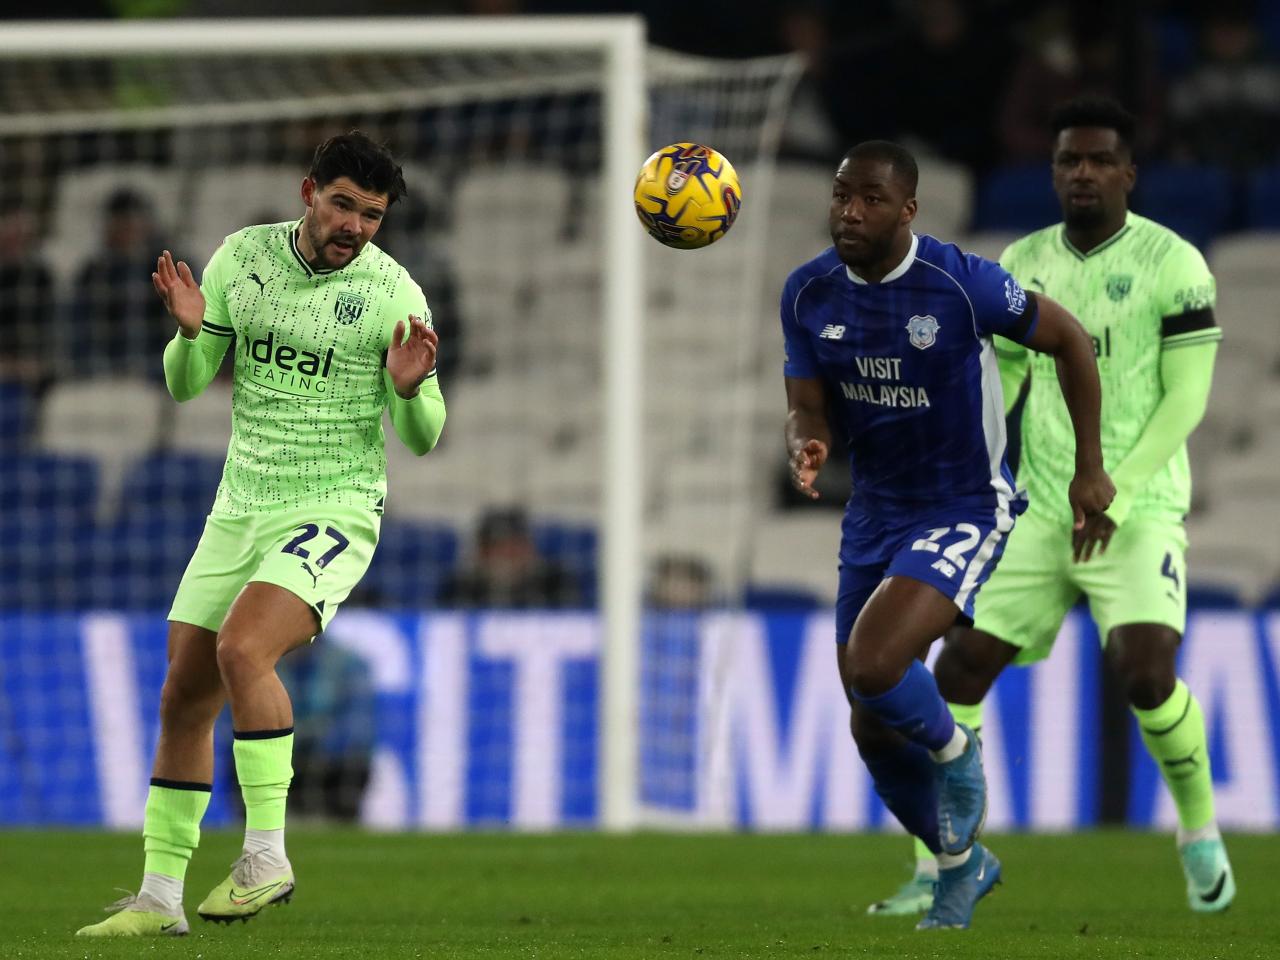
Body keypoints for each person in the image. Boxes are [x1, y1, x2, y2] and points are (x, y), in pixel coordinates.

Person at [76, 131, 447, 937]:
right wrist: (187, 333)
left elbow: (423, 436)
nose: (354, 225)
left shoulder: (393, 296)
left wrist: (412, 391)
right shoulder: (241, 259)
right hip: (239, 507)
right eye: (344, 203)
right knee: (182, 696)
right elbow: (186, 387)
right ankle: (159, 898)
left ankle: (266, 856)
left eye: (372, 215)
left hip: (334, 506)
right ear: (309, 189)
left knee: (244, 649)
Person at [870, 97, 1234, 918]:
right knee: (955, 670)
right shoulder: (1022, 262)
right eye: (1069, 160)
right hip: (1036, 511)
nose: (1083, 172)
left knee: (1146, 674)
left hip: (1136, 508)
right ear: (1054, 171)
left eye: (1101, 159)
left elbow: (1187, 398)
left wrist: (1121, 485)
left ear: (1129, 173)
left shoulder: (1175, 264)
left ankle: (1199, 829)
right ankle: (940, 865)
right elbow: (1000, 382)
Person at [782, 140, 1112, 930]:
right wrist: (806, 439)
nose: (849, 213)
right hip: (873, 512)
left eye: (868, 200)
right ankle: (964, 865)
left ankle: (959, 756)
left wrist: (1088, 469)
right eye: (840, 197)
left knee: (873, 662)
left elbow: (1070, 340)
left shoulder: (961, 284)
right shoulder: (807, 292)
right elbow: (805, 401)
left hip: (962, 503)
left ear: (908, 210)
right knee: (869, 719)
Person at [438, 506, 583, 609]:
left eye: (515, 547)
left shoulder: (556, 583)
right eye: (499, 547)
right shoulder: (459, 588)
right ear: (482, 553)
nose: (508, 556)